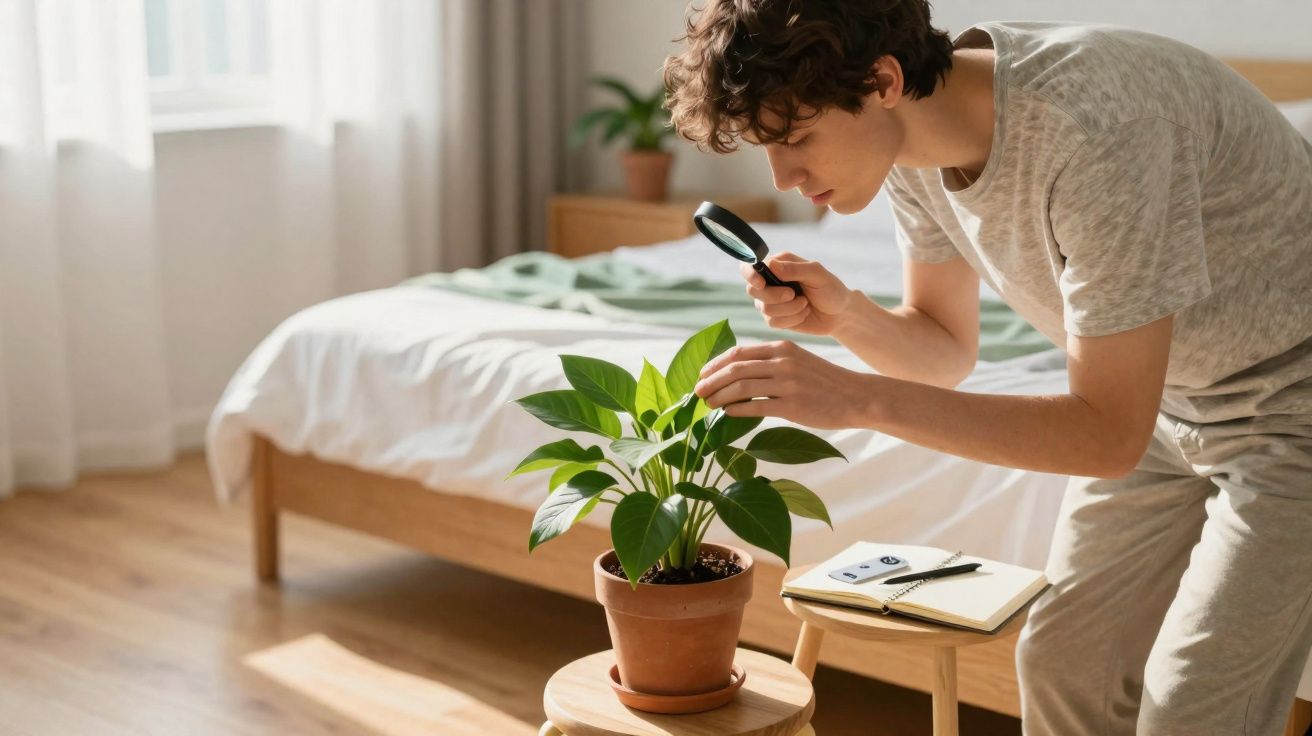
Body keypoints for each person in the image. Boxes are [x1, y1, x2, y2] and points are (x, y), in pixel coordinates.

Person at [664, 1, 1312, 734]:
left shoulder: (1099, 131)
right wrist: (843, 314)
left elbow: (1105, 437)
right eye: (767, 148)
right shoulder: (911, 144)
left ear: (882, 81)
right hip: (1168, 403)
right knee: (1065, 661)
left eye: (800, 137)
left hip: (1294, 405)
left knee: (1192, 707)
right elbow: (943, 349)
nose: (782, 178)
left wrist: (855, 398)